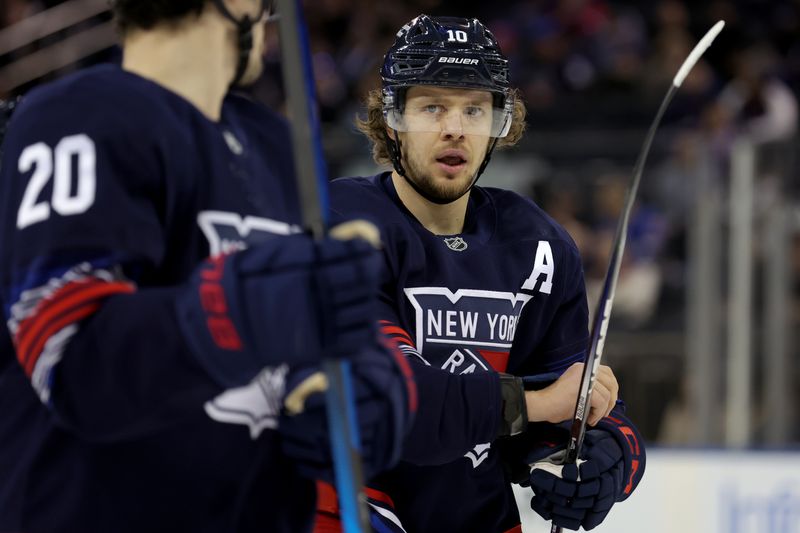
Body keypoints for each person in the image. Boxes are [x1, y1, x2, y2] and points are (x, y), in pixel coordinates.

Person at [0, 1, 415, 532]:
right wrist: (235, 313)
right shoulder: (75, 116)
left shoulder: (277, 147)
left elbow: (316, 335)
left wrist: (365, 387)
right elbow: (68, 353)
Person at [319, 15, 646, 532]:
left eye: (475, 109)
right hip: (353, 505)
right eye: (432, 107)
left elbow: (572, 403)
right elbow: (401, 404)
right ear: (392, 118)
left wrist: (607, 461)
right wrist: (538, 403)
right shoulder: (343, 224)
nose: (455, 128)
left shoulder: (537, 243)